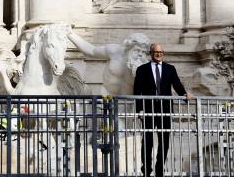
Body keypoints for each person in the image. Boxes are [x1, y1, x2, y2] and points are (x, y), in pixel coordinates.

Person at [133, 43, 193, 177]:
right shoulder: (142, 69)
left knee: (164, 141)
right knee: (147, 141)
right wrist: (139, 109)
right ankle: (146, 170)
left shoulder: (170, 69)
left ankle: (159, 169)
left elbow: (177, 84)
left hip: (165, 109)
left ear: (163, 53)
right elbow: (137, 90)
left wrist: (184, 94)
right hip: (148, 110)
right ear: (151, 53)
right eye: (156, 52)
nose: (159, 54)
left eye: (161, 52)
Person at [68, 30, 150, 96]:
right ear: (128, 48)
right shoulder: (114, 51)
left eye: (143, 52)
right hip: (107, 97)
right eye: (137, 50)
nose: (140, 54)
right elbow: (91, 51)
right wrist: (69, 34)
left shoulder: (145, 66)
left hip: (130, 102)